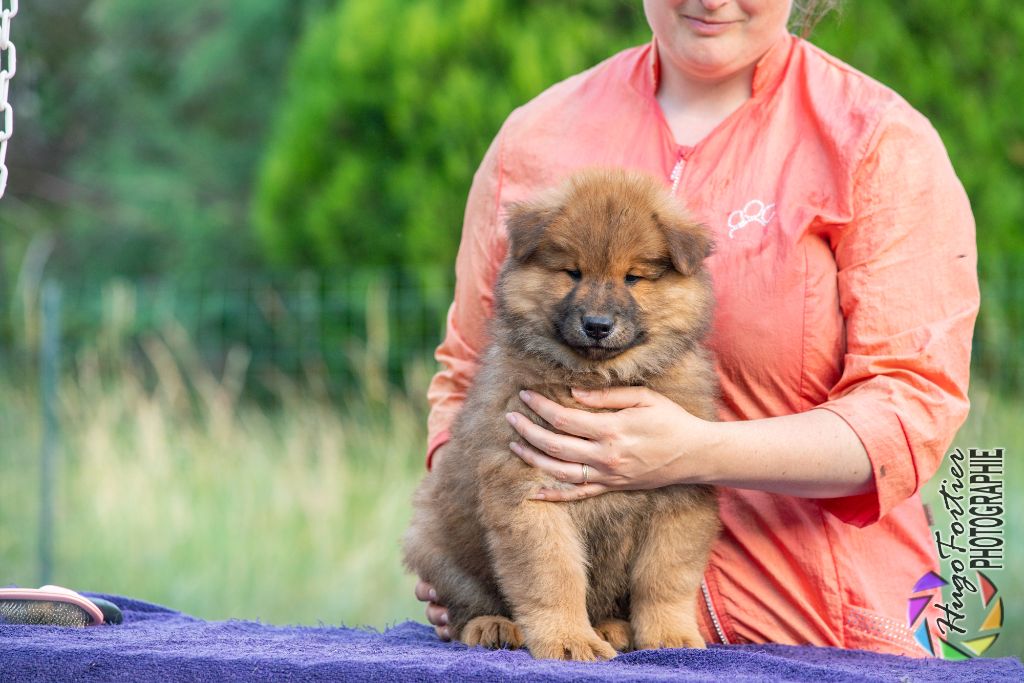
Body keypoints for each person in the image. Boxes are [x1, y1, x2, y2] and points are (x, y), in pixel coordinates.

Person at [414, 0, 978, 657]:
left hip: (824, 633)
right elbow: (462, 374)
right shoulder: (534, 137)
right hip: (592, 649)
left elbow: (912, 409)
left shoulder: (875, 140)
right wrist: (464, 545)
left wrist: (693, 451)